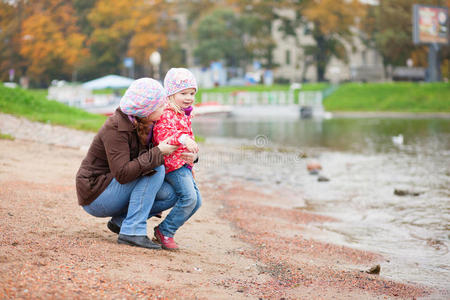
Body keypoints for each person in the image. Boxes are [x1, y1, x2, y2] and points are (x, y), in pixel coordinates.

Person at [75, 78, 179, 250]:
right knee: (156, 167)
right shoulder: (115, 128)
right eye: (160, 106)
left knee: (172, 193)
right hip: (96, 194)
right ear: (146, 110)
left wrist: (185, 155)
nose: (164, 109)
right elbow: (123, 174)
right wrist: (158, 152)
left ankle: (122, 222)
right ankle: (132, 232)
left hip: (113, 187)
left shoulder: (145, 122)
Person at [152, 68, 202, 250]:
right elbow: (162, 136)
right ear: (172, 93)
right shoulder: (166, 112)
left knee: (197, 202)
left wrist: (194, 155)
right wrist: (182, 139)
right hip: (173, 165)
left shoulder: (183, 113)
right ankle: (165, 232)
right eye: (183, 93)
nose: (189, 97)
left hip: (184, 164)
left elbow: (188, 138)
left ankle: (164, 229)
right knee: (189, 198)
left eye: (192, 93)